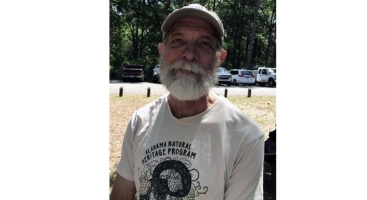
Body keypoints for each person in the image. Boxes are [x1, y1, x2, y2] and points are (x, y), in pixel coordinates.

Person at [111, 4, 264, 200]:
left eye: (204, 44)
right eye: (178, 40)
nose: (189, 53)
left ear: (219, 59)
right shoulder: (139, 121)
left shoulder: (245, 136)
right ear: (162, 51)